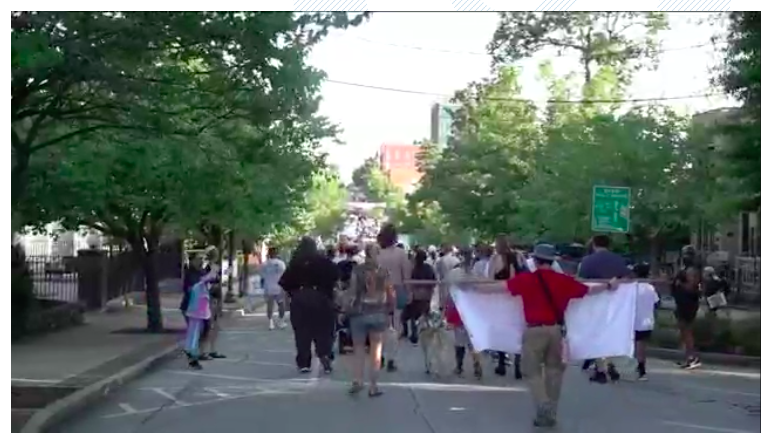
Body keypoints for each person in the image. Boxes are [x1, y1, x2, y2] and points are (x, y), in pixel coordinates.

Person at [464, 244, 620, 427]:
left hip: (534, 331)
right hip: (556, 331)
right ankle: (551, 412)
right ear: (552, 261)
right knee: (554, 370)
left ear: (536, 261)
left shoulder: (527, 279)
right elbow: (589, 290)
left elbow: (498, 288)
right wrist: (609, 285)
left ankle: (542, 403)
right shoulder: (564, 280)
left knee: (531, 371)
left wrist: (471, 287)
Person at [279, 237, 339, 374]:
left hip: (300, 298)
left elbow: (285, 283)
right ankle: (324, 353)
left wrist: (292, 296)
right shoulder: (324, 262)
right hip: (321, 297)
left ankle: (304, 362)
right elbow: (336, 277)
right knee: (324, 330)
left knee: (302, 332)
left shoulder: (295, 263)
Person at [342, 243, 394, 397]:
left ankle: (357, 380)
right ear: (378, 254)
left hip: (359, 312)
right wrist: (390, 310)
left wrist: (345, 309)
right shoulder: (384, 272)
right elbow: (390, 294)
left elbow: (351, 292)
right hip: (378, 313)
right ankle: (373, 386)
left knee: (358, 349)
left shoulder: (357, 270)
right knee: (376, 350)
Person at [577, 234, 630, 383]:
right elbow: (627, 278)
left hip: (595, 301)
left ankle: (600, 368)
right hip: (615, 303)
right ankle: (610, 362)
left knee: (596, 334)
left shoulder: (587, 261)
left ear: (594, 244)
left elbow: (581, 281)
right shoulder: (618, 260)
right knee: (609, 332)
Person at [488, 234, 527, 379]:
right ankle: (518, 364)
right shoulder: (518, 257)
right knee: (517, 330)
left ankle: (502, 363)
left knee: (501, 330)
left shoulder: (495, 259)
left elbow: (490, 279)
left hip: (500, 298)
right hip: (516, 297)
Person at [376, 224, 412, 372]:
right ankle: (392, 358)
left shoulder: (377, 254)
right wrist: (409, 292)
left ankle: (380, 354)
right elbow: (407, 274)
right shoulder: (400, 253)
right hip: (397, 288)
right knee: (396, 325)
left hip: (379, 290)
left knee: (380, 325)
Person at [445, 247, 484, 379]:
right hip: (473, 309)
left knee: (460, 340)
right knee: (473, 340)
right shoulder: (476, 274)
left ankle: (459, 366)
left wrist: (447, 308)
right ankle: (477, 364)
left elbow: (449, 293)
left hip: (459, 308)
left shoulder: (454, 273)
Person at [672, 245, 702, 369]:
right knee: (683, 330)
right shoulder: (685, 268)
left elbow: (691, 286)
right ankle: (688, 356)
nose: (684, 257)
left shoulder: (691, 270)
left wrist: (680, 284)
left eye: (686, 254)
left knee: (686, 329)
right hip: (682, 302)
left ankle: (692, 357)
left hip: (688, 303)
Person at [632, 263, 659, 380]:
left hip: (633, 320)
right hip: (647, 319)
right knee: (641, 345)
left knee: (632, 344)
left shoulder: (632, 287)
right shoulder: (650, 288)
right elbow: (656, 302)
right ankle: (641, 368)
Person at [405, 249, 436, 345]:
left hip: (416, 294)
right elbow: (434, 280)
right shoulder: (429, 268)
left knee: (414, 315)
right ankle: (428, 332)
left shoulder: (414, 269)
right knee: (425, 313)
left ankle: (414, 334)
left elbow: (410, 281)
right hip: (426, 294)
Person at [199, 246, 226, 360]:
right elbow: (203, 282)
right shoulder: (205, 267)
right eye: (213, 253)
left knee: (216, 326)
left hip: (216, 297)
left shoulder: (216, 267)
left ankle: (213, 350)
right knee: (207, 325)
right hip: (207, 297)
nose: (216, 255)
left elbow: (218, 283)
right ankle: (202, 351)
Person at [258, 247, 287, 330]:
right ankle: (281, 322)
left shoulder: (264, 264)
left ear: (269, 254)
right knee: (281, 305)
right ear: (276, 253)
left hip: (268, 287)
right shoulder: (281, 263)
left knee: (270, 305)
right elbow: (284, 275)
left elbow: (262, 275)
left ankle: (270, 323)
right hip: (279, 287)